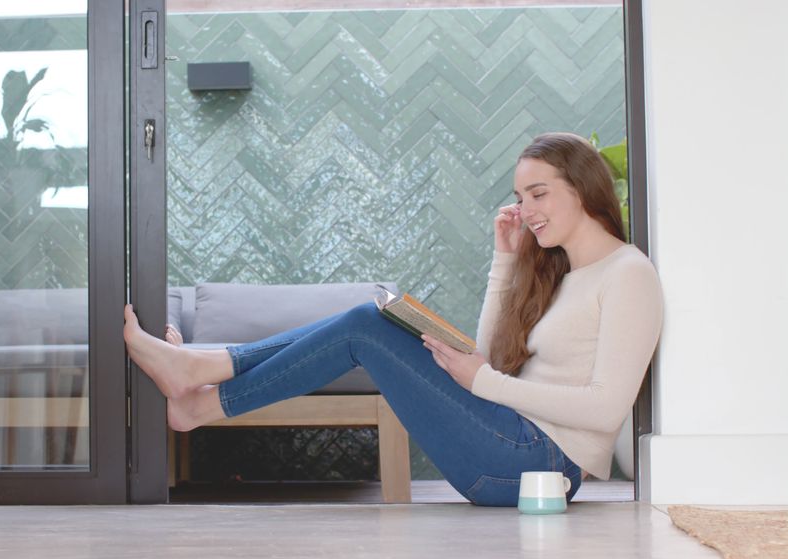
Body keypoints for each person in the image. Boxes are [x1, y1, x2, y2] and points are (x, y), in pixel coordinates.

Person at [123, 132, 663, 506]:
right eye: (520, 197)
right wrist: (504, 259)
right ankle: (199, 382)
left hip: (540, 467)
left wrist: (486, 382)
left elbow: (605, 407)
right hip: (511, 444)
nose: (526, 209)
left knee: (364, 325)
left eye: (538, 193)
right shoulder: (562, 272)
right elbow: (493, 356)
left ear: (585, 188)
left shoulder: (628, 274)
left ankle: (201, 383)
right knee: (371, 322)